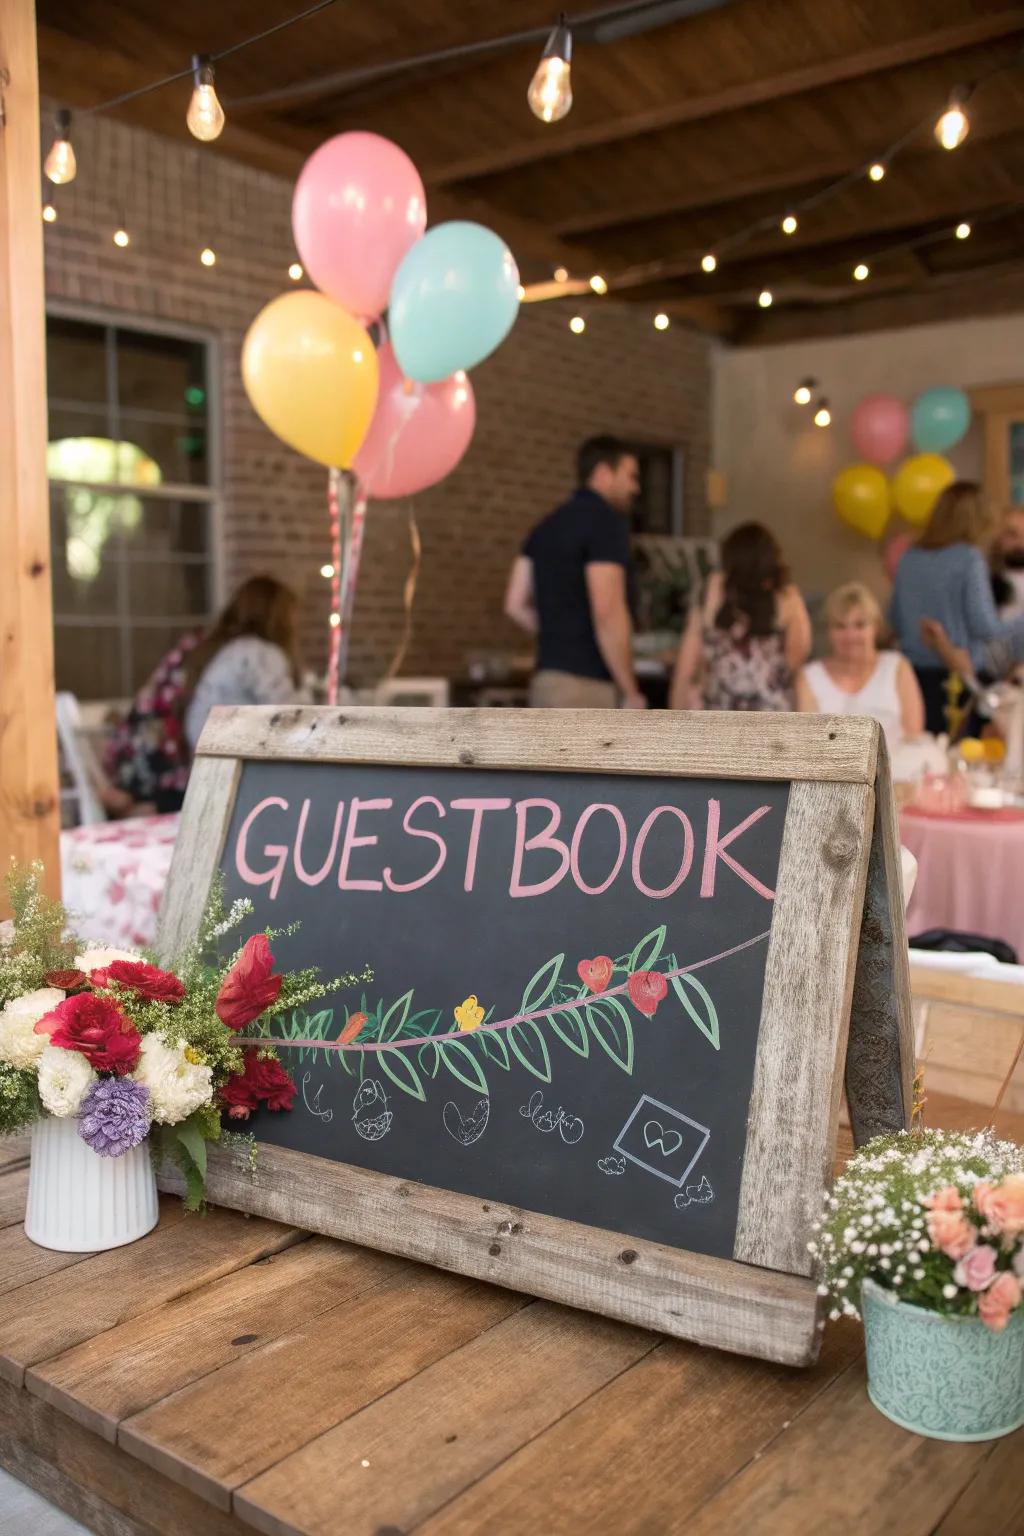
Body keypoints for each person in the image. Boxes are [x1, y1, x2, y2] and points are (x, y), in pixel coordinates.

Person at [505, 436, 647, 709]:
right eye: (631, 476)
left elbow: (514, 604)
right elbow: (608, 611)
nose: (636, 487)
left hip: (547, 682)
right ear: (604, 473)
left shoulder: (545, 527)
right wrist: (631, 691)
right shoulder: (605, 523)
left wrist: (560, 634)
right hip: (587, 689)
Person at [888, 482, 1024, 734]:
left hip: (910, 675)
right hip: (956, 678)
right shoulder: (969, 558)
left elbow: (894, 618)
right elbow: (986, 627)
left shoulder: (909, 557)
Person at [669, 522, 810, 711]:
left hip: (719, 713)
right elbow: (798, 653)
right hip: (772, 714)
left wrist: (675, 713)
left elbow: (686, 665)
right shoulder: (785, 594)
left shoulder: (712, 588)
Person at [795, 581, 924, 752]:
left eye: (860, 625)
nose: (850, 635)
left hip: (897, 770)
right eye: (840, 626)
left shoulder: (898, 666)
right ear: (829, 631)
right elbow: (808, 741)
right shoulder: (809, 676)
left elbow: (913, 735)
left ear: (875, 627)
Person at [183, 576, 303, 750]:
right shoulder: (260, 653)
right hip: (230, 750)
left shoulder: (229, 649)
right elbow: (289, 714)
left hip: (206, 749)